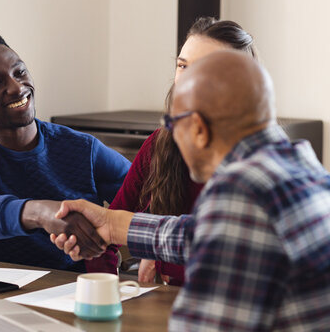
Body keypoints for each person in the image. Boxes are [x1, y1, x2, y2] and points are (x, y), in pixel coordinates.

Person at [52, 50, 330, 330]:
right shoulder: (318, 179)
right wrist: (111, 224)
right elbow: (198, 234)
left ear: (199, 129)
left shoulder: (244, 192)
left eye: (173, 125)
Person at [0, 30, 130, 272]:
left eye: (20, 72)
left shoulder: (82, 148)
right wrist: (42, 213)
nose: (16, 88)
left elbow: (150, 195)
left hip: (70, 293)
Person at [110, 16, 257, 285]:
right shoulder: (160, 144)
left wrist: (148, 244)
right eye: (182, 65)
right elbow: (111, 223)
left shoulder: (259, 162)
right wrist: (104, 294)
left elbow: (218, 242)